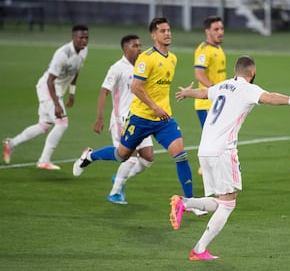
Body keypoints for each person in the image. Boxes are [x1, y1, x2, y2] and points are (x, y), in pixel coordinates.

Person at [169, 55, 290, 260]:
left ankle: (185, 204)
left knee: (223, 200)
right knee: (228, 204)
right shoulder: (249, 89)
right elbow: (270, 97)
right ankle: (198, 246)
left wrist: (186, 92)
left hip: (204, 149)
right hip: (223, 150)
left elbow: (203, 92)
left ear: (235, 71)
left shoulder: (223, 85)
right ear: (252, 73)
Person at [73, 17, 204, 214]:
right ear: (153, 35)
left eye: (168, 30)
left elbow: (160, 88)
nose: (167, 33)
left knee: (180, 154)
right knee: (121, 155)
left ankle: (190, 202)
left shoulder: (173, 58)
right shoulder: (146, 58)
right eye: (162, 31)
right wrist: (154, 107)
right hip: (140, 118)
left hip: (163, 120)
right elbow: (136, 88)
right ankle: (90, 156)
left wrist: (181, 95)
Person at [3, 25, 89, 169]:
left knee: (43, 126)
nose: (84, 41)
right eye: (81, 37)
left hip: (58, 90)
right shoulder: (62, 53)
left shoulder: (84, 51)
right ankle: (44, 160)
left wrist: (72, 93)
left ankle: (11, 143)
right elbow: (50, 80)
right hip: (48, 88)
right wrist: (56, 104)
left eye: (86, 37)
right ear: (73, 37)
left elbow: (75, 71)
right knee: (62, 124)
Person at [93, 35, 154, 204]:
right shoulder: (117, 68)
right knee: (130, 157)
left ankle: (119, 177)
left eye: (140, 45)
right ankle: (115, 193)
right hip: (122, 119)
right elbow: (104, 91)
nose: (139, 48)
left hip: (140, 118)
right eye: (135, 45)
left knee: (148, 158)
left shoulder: (142, 67)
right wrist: (100, 117)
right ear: (125, 48)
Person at [194, 16, 227, 175]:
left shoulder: (218, 49)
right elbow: (199, 74)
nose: (220, 32)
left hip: (219, 103)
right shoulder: (203, 51)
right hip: (206, 104)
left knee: (220, 139)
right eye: (216, 29)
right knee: (213, 139)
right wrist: (214, 89)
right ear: (207, 31)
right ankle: (207, 168)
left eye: (221, 29)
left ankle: (208, 167)